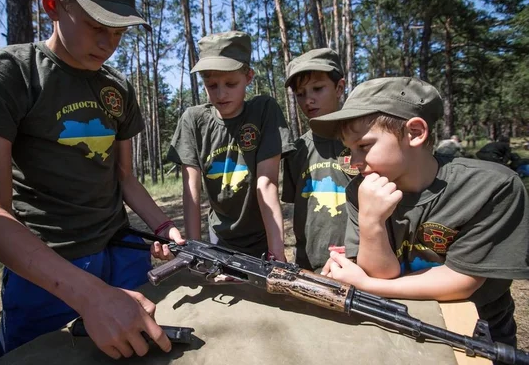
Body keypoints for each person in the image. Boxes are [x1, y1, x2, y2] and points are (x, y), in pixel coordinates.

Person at [0, 0, 184, 359]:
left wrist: (163, 225)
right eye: (96, 26)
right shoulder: (6, 75)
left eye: (119, 32)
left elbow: (125, 177)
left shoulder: (117, 88)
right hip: (46, 268)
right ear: (52, 5)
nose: (108, 43)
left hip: (122, 251)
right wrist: (90, 295)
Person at [308, 77, 529, 347]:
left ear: (414, 133)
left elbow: (461, 281)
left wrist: (368, 286)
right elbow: (378, 272)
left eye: (364, 146)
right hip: (400, 326)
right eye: (349, 149)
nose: (354, 162)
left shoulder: (491, 188)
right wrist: (371, 221)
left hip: (479, 332)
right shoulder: (361, 191)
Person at [167, 31, 294, 261]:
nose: (221, 93)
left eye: (231, 83)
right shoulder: (193, 120)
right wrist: (195, 249)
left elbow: (266, 183)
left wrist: (277, 255)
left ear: (249, 77)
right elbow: (191, 190)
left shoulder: (264, 111)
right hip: (220, 238)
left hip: (263, 235)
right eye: (211, 84)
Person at [281, 48, 358, 272]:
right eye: (300, 93)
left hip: (357, 264)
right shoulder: (297, 150)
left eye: (317, 88)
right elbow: (299, 208)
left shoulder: (362, 142)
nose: (308, 100)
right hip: (308, 265)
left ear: (340, 88)